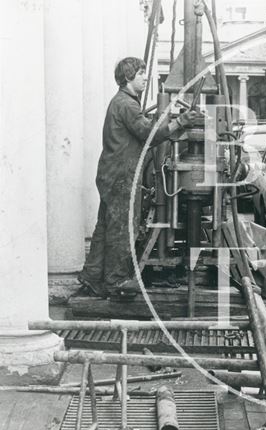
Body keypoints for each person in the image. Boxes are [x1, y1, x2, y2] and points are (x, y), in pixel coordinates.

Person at [78, 57, 198, 297]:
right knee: (123, 228)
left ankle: (92, 276)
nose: (145, 78)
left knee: (105, 227)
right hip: (122, 176)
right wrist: (181, 121)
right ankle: (117, 282)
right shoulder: (126, 105)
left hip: (111, 174)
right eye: (141, 74)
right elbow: (148, 133)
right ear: (127, 77)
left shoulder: (123, 102)